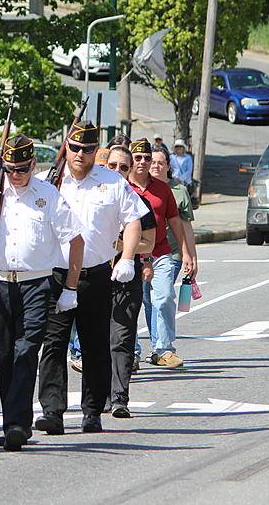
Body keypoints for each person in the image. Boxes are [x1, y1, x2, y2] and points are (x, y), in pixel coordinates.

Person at [0, 133, 84, 451]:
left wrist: (70, 287)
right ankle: (14, 420)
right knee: (3, 354)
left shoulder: (48, 194)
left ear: (33, 164)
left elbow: (76, 240)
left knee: (26, 351)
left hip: (36, 283)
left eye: (23, 169)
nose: (16, 175)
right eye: (11, 168)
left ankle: (16, 424)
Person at [35, 122, 147, 436]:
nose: (80, 155)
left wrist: (126, 258)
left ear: (95, 151)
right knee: (54, 345)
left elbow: (133, 221)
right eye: (74, 148)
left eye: (87, 149)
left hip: (97, 275)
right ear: (65, 147)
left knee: (95, 347)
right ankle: (52, 412)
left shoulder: (112, 182)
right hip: (56, 275)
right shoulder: (48, 182)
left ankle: (92, 411)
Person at [128, 139, 197, 368]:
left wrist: (186, 253)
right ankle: (131, 353)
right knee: (131, 305)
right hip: (129, 256)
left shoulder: (163, 189)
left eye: (147, 158)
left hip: (161, 253)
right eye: (138, 158)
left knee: (164, 297)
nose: (143, 162)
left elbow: (175, 222)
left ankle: (164, 350)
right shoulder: (122, 187)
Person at [104, 144, 157, 417]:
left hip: (127, 276)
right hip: (96, 275)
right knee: (97, 337)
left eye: (123, 167)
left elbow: (148, 243)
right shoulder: (90, 198)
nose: (117, 171)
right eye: (112, 166)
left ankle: (119, 398)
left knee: (122, 337)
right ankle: (99, 394)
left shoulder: (139, 202)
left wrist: (121, 246)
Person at [150, 149, 197, 290]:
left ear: (168, 166)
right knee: (148, 301)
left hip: (172, 254)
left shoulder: (179, 191)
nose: (155, 166)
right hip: (145, 253)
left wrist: (192, 257)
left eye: (160, 163)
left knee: (162, 296)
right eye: (152, 162)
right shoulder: (141, 189)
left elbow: (187, 228)